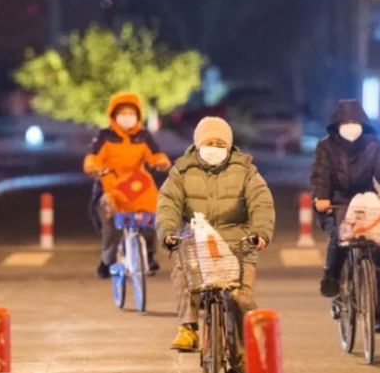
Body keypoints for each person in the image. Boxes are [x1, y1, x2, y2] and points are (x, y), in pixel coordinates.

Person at [157, 116, 275, 358]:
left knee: (240, 297)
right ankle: (188, 328)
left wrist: (260, 233)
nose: (215, 148)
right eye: (209, 142)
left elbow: (261, 203)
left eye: (220, 144)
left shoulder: (246, 171)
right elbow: (167, 204)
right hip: (197, 242)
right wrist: (168, 232)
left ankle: (246, 348)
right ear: (198, 143)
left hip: (237, 243)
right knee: (183, 272)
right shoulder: (181, 171)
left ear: (230, 146)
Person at [310, 99, 380, 333]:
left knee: (378, 253)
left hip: (366, 201)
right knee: (339, 238)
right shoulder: (326, 147)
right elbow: (321, 174)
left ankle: (378, 314)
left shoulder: (372, 144)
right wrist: (322, 198)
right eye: (346, 121)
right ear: (337, 124)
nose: (351, 125)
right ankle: (331, 277)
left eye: (355, 121)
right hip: (336, 202)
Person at [83, 92, 171, 278]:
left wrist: (161, 162)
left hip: (136, 186)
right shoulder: (104, 136)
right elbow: (93, 158)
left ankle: (148, 254)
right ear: (113, 115)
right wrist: (93, 168)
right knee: (110, 223)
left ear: (138, 115)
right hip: (110, 185)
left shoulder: (144, 136)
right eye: (122, 112)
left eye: (131, 113)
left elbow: (156, 155)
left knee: (151, 216)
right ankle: (108, 261)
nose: (127, 116)